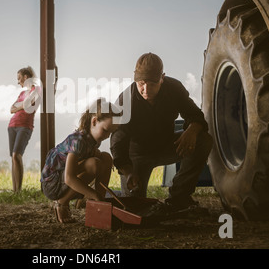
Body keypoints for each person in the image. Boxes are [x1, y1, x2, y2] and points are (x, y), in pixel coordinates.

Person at [110, 52, 213, 212]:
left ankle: (179, 197)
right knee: (134, 207)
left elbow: (196, 115)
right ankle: (109, 194)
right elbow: (117, 142)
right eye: (141, 83)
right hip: (137, 156)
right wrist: (128, 172)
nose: (146, 89)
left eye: (152, 84)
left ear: (162, 78)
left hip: (167, 146)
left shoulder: (174, 88)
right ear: (135, 79)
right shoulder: (125, 101)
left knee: (203, 139)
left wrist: (192, 130)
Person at [40, 98, 121, 224]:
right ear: (94, 121)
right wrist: (92, 192)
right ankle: (62, 203)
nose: (107, 136)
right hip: (52, 184)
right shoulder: (77, 141)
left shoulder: (93, 141)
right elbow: (69, 178)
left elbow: (98, 156)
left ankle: (98, 204)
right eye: (105, 130)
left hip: (65, 180)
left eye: (111, 132)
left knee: (106, 157)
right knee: (94, 164)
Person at [8, 66, 40, 193]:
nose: (18, 82)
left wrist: (20, 106)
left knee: (17, 155)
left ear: (26, 77)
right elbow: (11, 109)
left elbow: (29, 105)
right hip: (12, 126)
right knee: (13, 158)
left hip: (25, 126)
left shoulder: (37, 90)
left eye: (19, 78)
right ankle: (14, 190)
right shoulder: (22, 94)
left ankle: (19, 191)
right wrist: (22, 105)